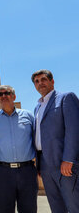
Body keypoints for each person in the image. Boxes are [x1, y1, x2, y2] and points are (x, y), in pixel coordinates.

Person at [32, 69, 79, 213]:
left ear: (52, 81)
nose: (41, 83)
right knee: (56, 205)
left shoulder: (65, 98)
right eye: (37, 81)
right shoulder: (37, 107)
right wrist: (39, 164)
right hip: (45, 165)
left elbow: (74, 130)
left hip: (63, 163)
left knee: (73, 205)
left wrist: (69, 159)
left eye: (44, 79)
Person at [0, 85, 38, 213]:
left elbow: (37, 140)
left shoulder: (28, 116)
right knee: (4, 209)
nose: (3, 96)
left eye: (7, 93)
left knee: (29, 208)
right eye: (0, 94)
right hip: (1, 171)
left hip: (27, 170)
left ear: (14, 96)